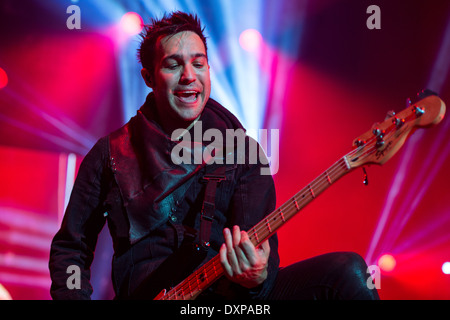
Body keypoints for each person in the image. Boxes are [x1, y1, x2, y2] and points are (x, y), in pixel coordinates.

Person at [49, 11, 379, 300]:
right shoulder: (109, 154)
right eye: (173, 65)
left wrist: (257, 275)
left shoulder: (244, 153)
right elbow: (70, 249)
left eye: (198, 62)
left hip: (230, 303)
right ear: (149, 77)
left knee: (348, 274)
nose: (189, 76)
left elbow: (261, 277)